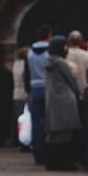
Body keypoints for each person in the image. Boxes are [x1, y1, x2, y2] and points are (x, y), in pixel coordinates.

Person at [43, 35, 81, 170]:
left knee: (54, 133)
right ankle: (65, 162)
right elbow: (71, 81)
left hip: (52, 98)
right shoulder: (61, 63)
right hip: (65, 98)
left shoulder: (48, 62)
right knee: (66, 133)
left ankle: (52, 161)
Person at [25, 24, 52, 165]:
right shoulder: (50, 52)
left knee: (35, 123)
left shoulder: (29, 52)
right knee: (48, 122)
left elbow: (26, 73)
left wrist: (27, 91)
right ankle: (48, 152)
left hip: (34, 88)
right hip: (47, 88)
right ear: (48, 36)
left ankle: (37, 154)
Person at [65, 30, 88, 96]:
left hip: (70, 92)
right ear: (81, 41)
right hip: (84, 91)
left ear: (68, 40)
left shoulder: (65, 55)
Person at [12, 46, 29, 147]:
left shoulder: (15, 64)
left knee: (17, 118)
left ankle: (16, 139)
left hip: (16, 93)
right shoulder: (25, 65)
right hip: (23, 93)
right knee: (23, 119)